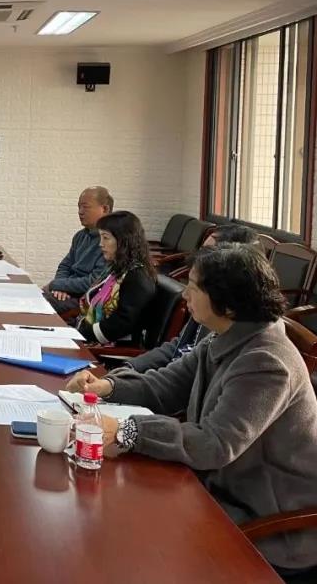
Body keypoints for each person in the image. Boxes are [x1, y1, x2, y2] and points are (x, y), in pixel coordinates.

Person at [66, 243, 317, 574]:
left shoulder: (266, 362)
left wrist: (128, 430)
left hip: (268, 522)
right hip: (217, 490)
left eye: (194, 287)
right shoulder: (226, 334)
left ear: (228, 303)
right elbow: (167, 384)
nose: (185, 295)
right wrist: (108, 386)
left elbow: (214, 444)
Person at [125, 224, 258, 372]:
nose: (185, 294)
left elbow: (185, 378)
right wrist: (129, 367)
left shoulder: (251, 355)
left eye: (207, 252)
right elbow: (178, 346)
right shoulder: (205, 305)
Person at [75, 210, 156, 344]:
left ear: (124, 240)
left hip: (112, 348)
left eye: (106, 238)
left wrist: (80, 334)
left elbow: (122, 324)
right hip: (93, 337)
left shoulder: (137, 277)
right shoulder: (118, 268)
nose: (100, 244)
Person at [44, 186, 113, 313]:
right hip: (67, 290)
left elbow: (94, 281)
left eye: (86, 207)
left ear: (105, 209)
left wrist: (57, 285)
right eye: (79, 207)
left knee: (40, 302)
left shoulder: (111, 242)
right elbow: (65, 266)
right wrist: (60, 286)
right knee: (35, 296)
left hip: (85, 297)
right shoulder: (80, 236)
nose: (80, 212)